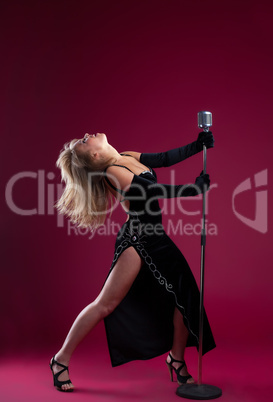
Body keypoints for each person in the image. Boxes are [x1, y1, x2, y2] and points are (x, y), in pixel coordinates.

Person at [50, 132, 216, 392]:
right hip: (137, 241)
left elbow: (164, 158)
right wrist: (193, 190)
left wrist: (197, 146)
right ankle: (60, 360)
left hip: (157, 237)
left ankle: (176, 358)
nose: (86, 136)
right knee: (105, 305)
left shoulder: (126, 156)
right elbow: (152, 191)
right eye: (84, 141)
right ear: (95, 154)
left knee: (186, 297)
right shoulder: (113, 171)